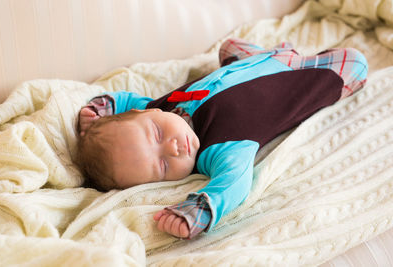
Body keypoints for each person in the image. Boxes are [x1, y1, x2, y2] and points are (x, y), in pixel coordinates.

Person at [77, 38, 368, 239]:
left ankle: (270, 53)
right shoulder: (222, 148)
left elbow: (131, 100)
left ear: (145, 113)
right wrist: (202, 208)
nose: (173, 147)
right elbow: (236, 182)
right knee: (357, 63)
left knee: (229, 46)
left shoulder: (160, 107)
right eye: (163, 166)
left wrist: (105, 106)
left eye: (156, 133)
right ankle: (318, 66)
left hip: (254, 60)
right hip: (300, 75)